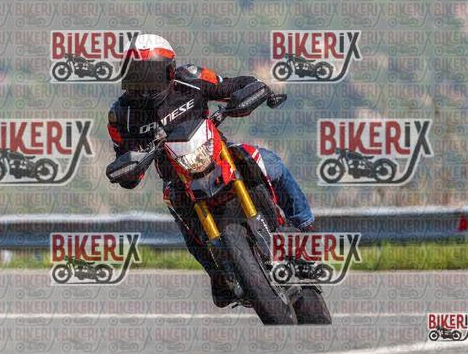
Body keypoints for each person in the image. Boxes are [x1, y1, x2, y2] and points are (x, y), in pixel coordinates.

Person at [107, 34, 315, 307]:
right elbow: (125, 160)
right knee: (180, 214)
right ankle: (219, 275)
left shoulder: (190, 78)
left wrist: (252, 90)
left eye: (150, 75)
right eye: (136, 76)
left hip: (219, 154)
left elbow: (230, 85)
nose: (144, 85)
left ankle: (307, 228)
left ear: (169, 70)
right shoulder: (121, 115)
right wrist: (128, 170)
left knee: (270, 162)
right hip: (176, 177)